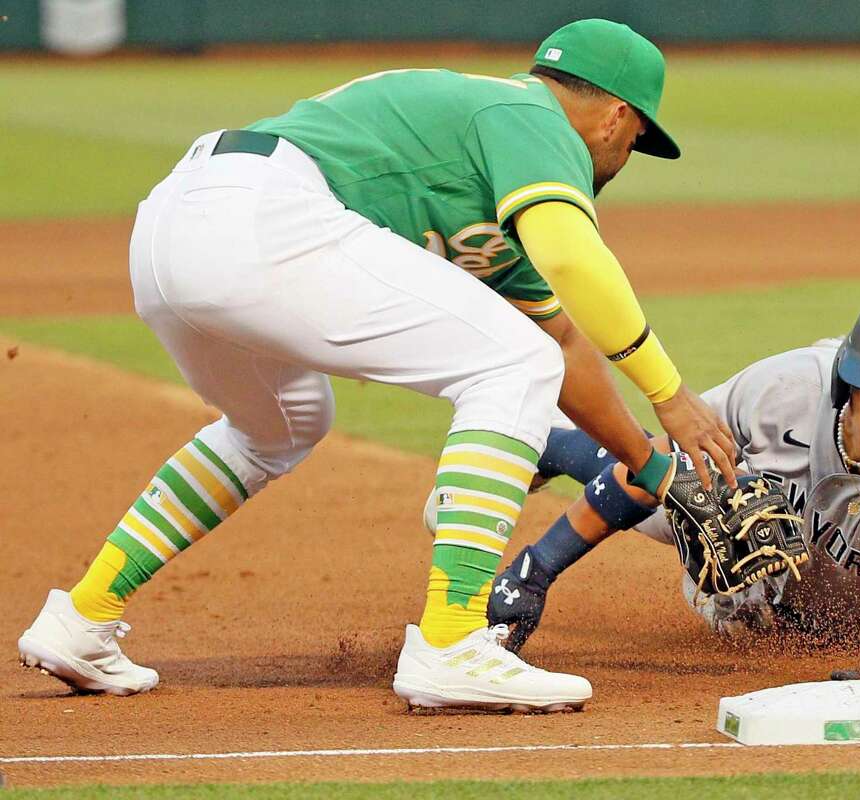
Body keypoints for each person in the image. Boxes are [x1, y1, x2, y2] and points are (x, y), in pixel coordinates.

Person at [17, 18, 738, 712]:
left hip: (177, 227)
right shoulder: (529, 115)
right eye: (637, 140)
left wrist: (653, 468)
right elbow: (574, 257)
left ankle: (83, 615)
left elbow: (565, 347)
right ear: (616, 117)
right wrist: (669, 394)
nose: (624, 159)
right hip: (262, 217)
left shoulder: (486, 178)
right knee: (510, 365)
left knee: (283, 422)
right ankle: (452, 643)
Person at [481, 283, 860, 681]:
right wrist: (535, 571)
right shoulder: (786, 387)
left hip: (816, 632)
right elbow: (655, 460)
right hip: (738, 595)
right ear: (847, 382)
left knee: (691, 488)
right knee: (679, 493)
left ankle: (559, 444)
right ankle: (549, 442)